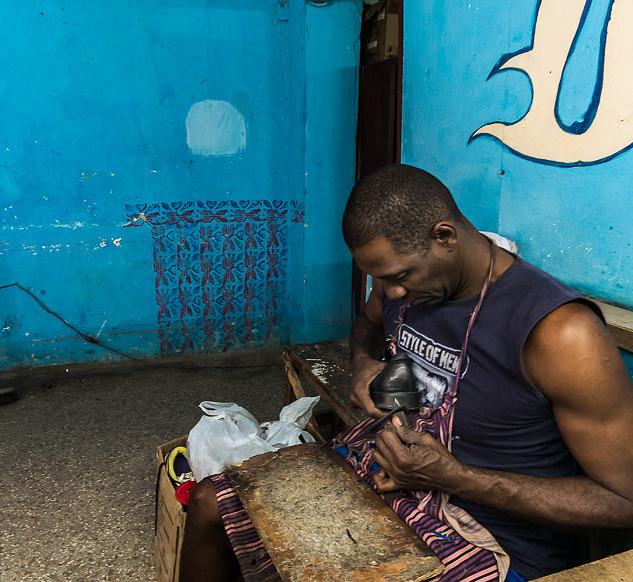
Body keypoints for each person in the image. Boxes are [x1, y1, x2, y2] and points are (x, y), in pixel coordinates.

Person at [180, 164, 633, 581]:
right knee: (208, 505)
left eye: (398, 277)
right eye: (380, 279)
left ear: (444, 236)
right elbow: (369, 322)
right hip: (385, 471)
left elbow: (623, 501)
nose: (391, 291)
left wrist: (456, 478)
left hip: (484, 532)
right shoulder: (402, 284)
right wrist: (361, 366)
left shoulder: (560, 333)